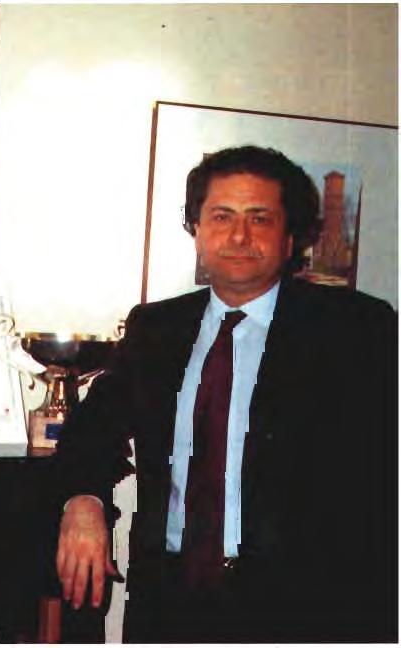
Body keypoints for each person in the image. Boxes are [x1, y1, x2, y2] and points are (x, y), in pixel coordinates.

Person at [54, 145, 397, 642]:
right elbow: (90, 431)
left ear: (290, 237)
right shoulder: (156, 329)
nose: (239, 236)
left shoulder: (355, 331)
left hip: (306, 610)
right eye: (221, 217)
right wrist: (83, 501)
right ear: (196, 230)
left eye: (260, 218)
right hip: (170, 606)